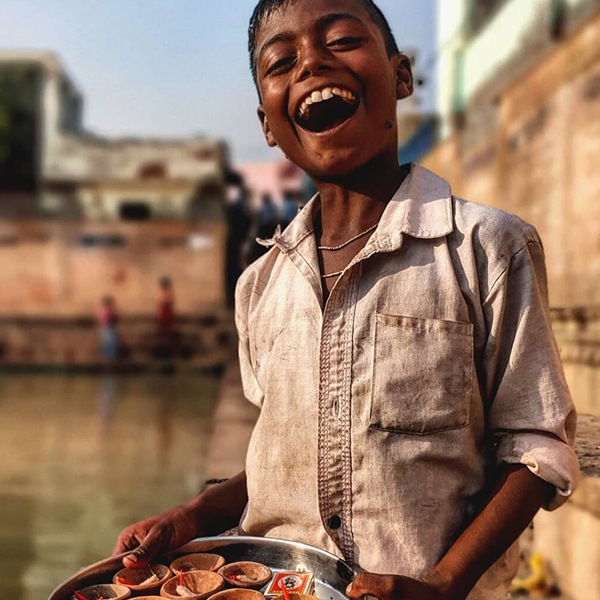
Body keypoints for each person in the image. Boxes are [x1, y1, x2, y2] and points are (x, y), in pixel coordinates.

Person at [113, 2, 578, 599]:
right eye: (282, 61)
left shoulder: (488, 247)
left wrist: (441, 584)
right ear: (266, 123)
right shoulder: (259, 285)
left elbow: (536, 446)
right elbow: (285, 457)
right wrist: (195, 514)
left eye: (340, 39)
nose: (311, 63)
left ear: (401, 76)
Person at [98, 295, 119, 362]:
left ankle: (109, 357)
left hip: (107, 328)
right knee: (109, 343)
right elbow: (111, 319)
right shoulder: (107, 311)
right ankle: (110, 357)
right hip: (108, 328)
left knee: (109, 343)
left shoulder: (105, 311)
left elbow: (103, 320)